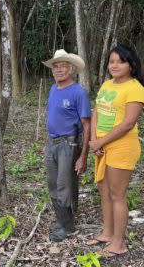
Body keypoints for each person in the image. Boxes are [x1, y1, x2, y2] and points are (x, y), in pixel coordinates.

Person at [87, 44, 144, 259]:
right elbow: (96, 112)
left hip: (122, 146)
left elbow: (128, 124)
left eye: (120, 61)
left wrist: (101, 141)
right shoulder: (106, 85)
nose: (114, 65)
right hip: (102, 145)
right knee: (104, 191)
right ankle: (108, 233)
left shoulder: (135, 88)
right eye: (111, 61)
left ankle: (119, 243)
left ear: (131, 65)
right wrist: (95, 141)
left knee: (117, 194)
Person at [42, 49, 91, 242]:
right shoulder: (53, 89)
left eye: (63, 66)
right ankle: (62, 219)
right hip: (52, 143)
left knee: (65, 185)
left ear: (71, 69)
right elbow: (53, 117)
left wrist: (83, 156)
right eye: (56, 66)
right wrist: (47, 142)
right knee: (53, 184)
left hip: (69, 144)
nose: (59, 70)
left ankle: (68, 226)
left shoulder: (78, 92)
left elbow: (87, 125)